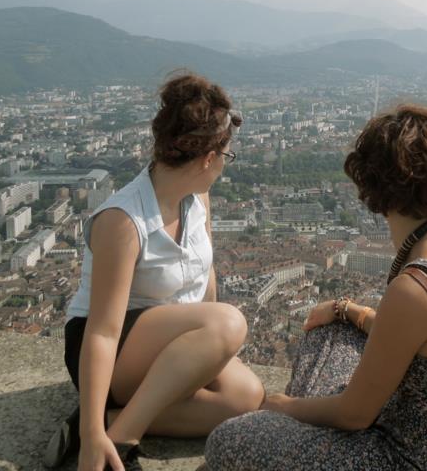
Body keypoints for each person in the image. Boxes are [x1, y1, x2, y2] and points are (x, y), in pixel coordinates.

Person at [204, 104, 427, 471]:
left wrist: (279, 406)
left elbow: (354, 415)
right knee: (331, 331)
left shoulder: (415, 288)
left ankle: (292, 431)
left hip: (411, 460)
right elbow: (420, 337)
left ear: (372, 184)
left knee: (229, 438)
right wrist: (349, 310)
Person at [45, 73, 265, 471]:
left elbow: (206, 281)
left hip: (166, 343)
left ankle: (101, 424)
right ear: (208, 158)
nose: (224, 168)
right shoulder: (123, 220)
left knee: (245, 397)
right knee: (230, 322)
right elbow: (101, 331)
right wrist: (97, 430)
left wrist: (209, 356)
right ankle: (115, 436)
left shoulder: (197, 199)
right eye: (227, 157)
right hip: (107, 351)